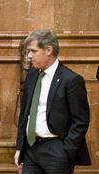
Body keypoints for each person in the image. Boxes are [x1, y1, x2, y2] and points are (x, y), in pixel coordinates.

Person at [15, 29, 91, 173]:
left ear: (48, 50)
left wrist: (67, 151)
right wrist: (20, 147)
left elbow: (81, 120)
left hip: (57, 150)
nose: (29, 56)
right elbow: (25, 114)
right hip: (30, 150)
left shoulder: (71, 80)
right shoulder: (31, 75)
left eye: (33, 51)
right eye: (28, 51)